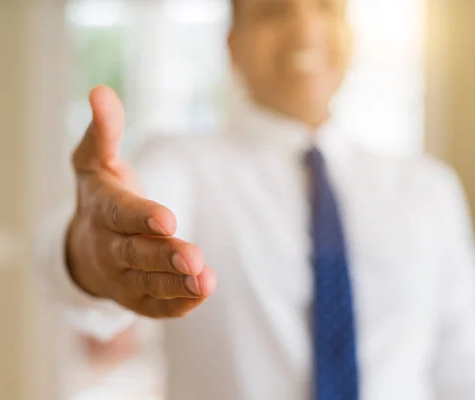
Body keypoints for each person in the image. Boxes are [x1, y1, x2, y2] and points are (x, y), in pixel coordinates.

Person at [35, 0, 475, 398]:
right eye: (273, 10)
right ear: (233, 46)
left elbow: (460, 366)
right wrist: (87, 254)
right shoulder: (182, 164)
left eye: (325, 6)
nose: (305, 29)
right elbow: (70, 252)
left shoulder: (429, 189)